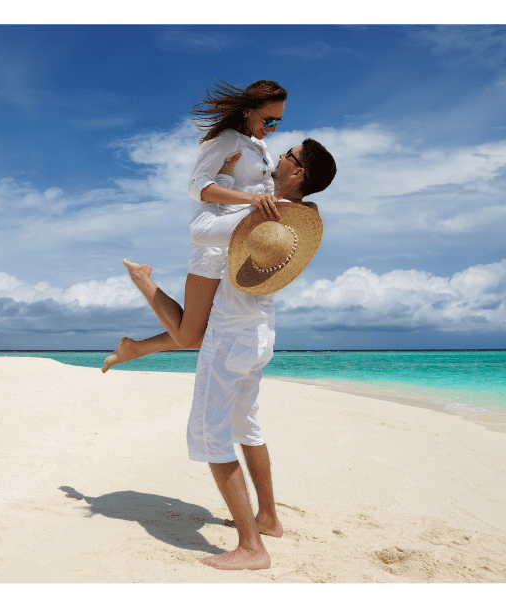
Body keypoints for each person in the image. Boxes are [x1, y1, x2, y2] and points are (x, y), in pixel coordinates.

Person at [189, 139, 337, 570]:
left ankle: (252, 548)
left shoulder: (260, 214)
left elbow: (199, 229)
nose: (277, 158)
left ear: (297, 175)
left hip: (232, 336)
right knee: (246, 426)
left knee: (209, 434)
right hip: (260, 334)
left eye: (287, 156)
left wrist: (227, 179)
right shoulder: (301, 218)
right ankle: (269, 517)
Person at [102, 80, 287, 373]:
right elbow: (197, 187)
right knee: (191, 336)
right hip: (213, 246)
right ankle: (142, 280)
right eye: (269, 119)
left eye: (278, 120)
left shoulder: (259, 145)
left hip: (240, 248)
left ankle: (134, 349)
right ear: (248, 112)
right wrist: (252, 198)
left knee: (211, 332)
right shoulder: (225, 140)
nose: (274, 126)